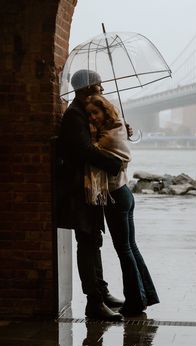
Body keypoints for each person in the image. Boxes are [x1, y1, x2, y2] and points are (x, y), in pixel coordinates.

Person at [56, 69, 125, 321]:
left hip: (86, 188)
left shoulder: (83, 112)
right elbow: (84, 149)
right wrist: (114, 163)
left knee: (93, 240)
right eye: (98, 86)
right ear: (86, 89)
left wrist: (118, 129)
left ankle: (101, 293)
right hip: (77, 190)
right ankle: (94, 303)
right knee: (87, 241)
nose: (102, 90)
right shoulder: (75, 115)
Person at [84, 95, 160, 316]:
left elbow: (92, 151)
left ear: (105, 111)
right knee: (131, 247)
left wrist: (89, 132)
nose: (92, 117)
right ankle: (144, 295)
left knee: (124, 249)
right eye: (89, 114)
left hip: (116, 196)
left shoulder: (107, 136)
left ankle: (135, 302)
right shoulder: (117, 127)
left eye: (95, 113)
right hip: (124, 193)